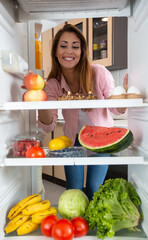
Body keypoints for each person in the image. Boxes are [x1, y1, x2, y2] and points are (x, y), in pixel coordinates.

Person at [37, 24, 127, 201]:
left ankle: (91, 225)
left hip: (102, 136)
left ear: (82, 51)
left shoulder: (98, 73)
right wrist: (40, 100)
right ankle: (75, 224)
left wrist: (124, 96)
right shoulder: (53, 84)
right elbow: (48, 125)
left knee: (94, 188)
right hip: (73, 139)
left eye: (75, 46)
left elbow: (117, 108)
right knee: (74, 189)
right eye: (63, 45)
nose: (69, 51)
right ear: (55, 51)